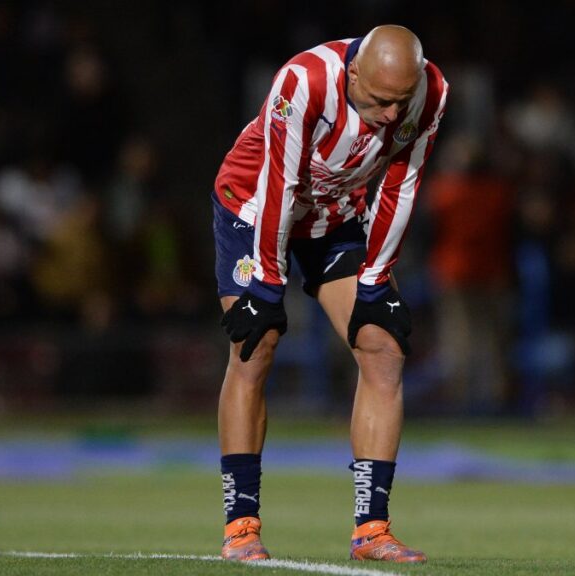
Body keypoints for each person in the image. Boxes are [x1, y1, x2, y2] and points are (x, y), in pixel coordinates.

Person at [211, 25, 447, 563]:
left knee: (383, 346)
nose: (392, 115)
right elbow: (279, 183)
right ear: (354, 72)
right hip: (254, 207)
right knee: (255, 344)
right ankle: (241, 528)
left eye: (401, 101)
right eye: (380, 101)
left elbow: (402, 183)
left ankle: (372, 531)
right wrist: (268, 284)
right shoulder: (304, 81)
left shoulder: (430, 91)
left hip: (332, 215)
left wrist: (377, 278)